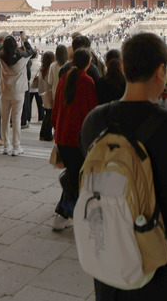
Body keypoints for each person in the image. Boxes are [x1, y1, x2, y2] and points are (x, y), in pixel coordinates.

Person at [80, 32, 167, 300]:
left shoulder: (94, 121)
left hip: (112, 255)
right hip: (166, 251)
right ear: (161, 70)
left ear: (123, 67)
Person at [51, 47, 98, 231]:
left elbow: (56, 106)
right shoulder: (87, 81)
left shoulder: (65, 78)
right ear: (88, 62)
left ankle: (68, 214)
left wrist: (55, 126)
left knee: (74, 176)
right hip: (77, 139)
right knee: (76, 177)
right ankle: (63, 214)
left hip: (63, 136)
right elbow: (92, 111)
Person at [0, 35, 35, 155]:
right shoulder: (22, 58)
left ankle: (5, 145)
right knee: (16, 119)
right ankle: (16, 147)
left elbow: (1, 52)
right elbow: (31, 51)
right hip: (18, 91)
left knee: (4, 119)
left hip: (4, 90)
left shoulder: (0, 57)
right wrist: (24, 39)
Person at [37, 51, 56, 141]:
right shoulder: (50, 69)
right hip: (49, 93)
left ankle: (42, 134)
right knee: (50, 115)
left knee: (47, 114)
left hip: (43, 94)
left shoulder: (42, 69)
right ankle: (47, 135)